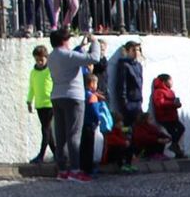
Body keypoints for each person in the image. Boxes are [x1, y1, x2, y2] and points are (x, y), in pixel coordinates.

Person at [47, 29, 100, 181]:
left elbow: (73, 58)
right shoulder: (68, 55)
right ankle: (76, 170)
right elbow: (94, 58)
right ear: (64, 41)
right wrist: (94, 41)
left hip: (57, 95)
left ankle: (62, 170)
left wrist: (81, 46)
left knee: (61, 134)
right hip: (73, 97)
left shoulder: (52, 57)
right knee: (74, 134)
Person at [26, 45, 54, 164]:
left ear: (46, 58)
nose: (39, 62)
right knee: (47, 130)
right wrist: (29, 100)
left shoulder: (50, 70)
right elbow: (32, 87)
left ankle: (41, 155)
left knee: (46, 129)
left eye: (41, 60)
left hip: (49, 103)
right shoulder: (33, 72)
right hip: (39, 104)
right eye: (37, 60)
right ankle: (57, 153)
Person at [150, 73, 186, 159]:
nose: (171, 82)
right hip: (164, 117)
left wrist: (177, 104)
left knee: (181, 129)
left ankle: (175, 147)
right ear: (164, 81)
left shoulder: (170, 91)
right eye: (170, 80)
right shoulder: (159, 91)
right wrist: (172, 104)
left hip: (173, 116)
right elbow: (160, 103)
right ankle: (177, 151)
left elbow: (173, 103)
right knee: (173, 133)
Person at [112, 39, 145, 130]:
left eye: (137, 50)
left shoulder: (138, 65)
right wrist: (125, 103)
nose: (136, 53)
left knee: (140, 127)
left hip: (138, 101)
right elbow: (122, 85)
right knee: (128, 128)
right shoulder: (124, 65)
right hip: (129, 103)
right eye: (133, 50)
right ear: (127, 51)